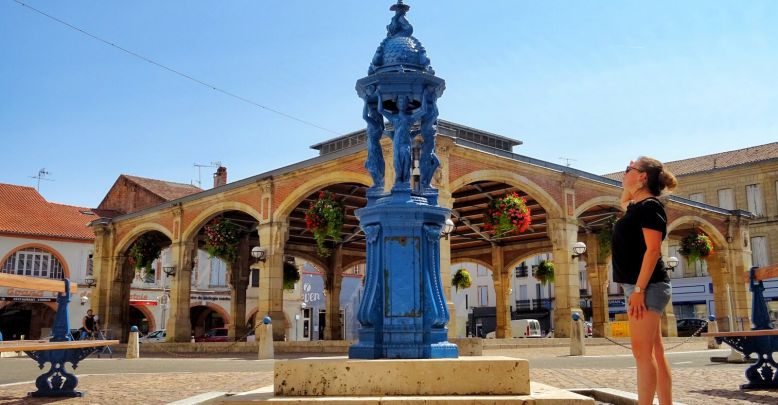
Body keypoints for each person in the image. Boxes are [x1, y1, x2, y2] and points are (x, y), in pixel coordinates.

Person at [612, 156, 677, 405]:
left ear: (642, 177)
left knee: (642, 355)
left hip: (646, 286)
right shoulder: (637, 206)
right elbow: (624, 198)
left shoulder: (651, 206)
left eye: (628, 168)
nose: (624, 171)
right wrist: (631, 180)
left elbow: (652, 250)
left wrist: (638, 289)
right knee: (656, 353)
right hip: (640, 286)